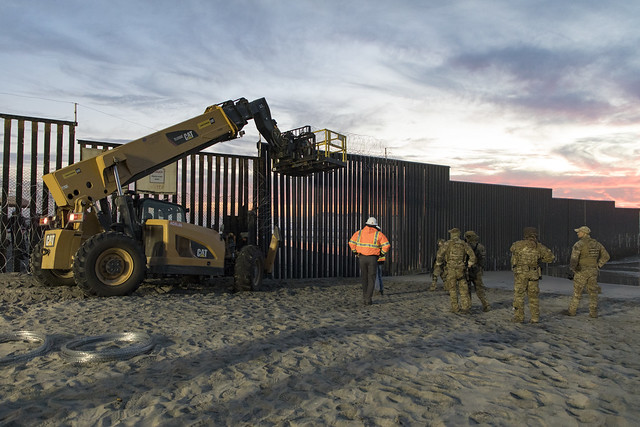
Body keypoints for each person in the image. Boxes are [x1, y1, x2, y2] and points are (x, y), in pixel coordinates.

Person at [510, 227, 555, 323]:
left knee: (519, 296)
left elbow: (513, 253)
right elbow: (550, 258)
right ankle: (535, 317)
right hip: (533, 274)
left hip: (521, 274)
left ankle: (519, 317)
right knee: (533, 297)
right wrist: (538, 259)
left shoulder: (517, 245)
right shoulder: (539, 247)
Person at [566, 226, 610, 318]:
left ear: (584, 233)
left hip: (581, 271)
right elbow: (606, 256)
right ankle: (593, 313)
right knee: (593, 292)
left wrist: (573, 269)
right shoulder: (597, 244)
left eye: (579, 232)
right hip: (593, 271)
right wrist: (598, 265)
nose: (578, 233)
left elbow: (574, 259)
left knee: (577, 292)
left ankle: (572, 311)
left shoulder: (579, 244)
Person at [349, 217, 391, 306]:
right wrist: (381, 254)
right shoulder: (378, 234)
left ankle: (365, 297)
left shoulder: (359, 233)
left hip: (362, 258)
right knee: (371, 278)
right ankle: (368, 299)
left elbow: (351, 243)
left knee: (364, 278)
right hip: (373, 258)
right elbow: (387, 245)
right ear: (375, 225)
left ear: (366, 224)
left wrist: (355, 252)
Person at [435, 228, 476, 314]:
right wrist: (470, 263)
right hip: (461, 269)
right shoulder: (464, 244)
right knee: (463, 289)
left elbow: (439, 254)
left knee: (452, 289)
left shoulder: (447, 244)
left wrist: (439, 263)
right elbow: (472, 255)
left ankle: (455, 307)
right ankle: (465, 308)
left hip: (451, 269)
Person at [464, 231, 491, 312]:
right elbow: (482, 260)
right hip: (477, 270)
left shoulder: (465, 246)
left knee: (467, 289)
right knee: (479, 289)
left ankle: (468, 306)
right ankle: (486, 305)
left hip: (467, 270)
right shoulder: (480, 246)